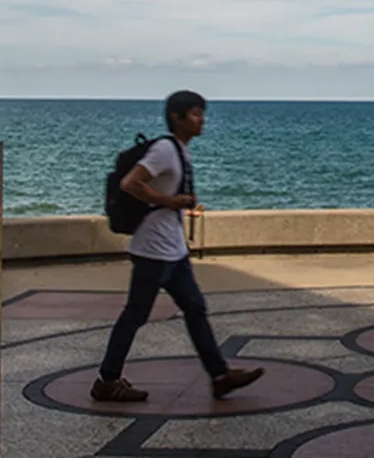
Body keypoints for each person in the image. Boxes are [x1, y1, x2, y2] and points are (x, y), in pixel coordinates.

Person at [92, 91, 265, 402]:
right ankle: (107, 379)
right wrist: (168, 201)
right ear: (177, 116)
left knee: (195, 309)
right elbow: (130, 183)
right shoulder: (165, 150)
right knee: (135, 315)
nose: (202, 120)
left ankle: (220, 376)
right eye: (196, 114)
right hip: (152, 252)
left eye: (202, 113)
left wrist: (180, 203)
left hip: (174, 251)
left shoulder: (181, 152)